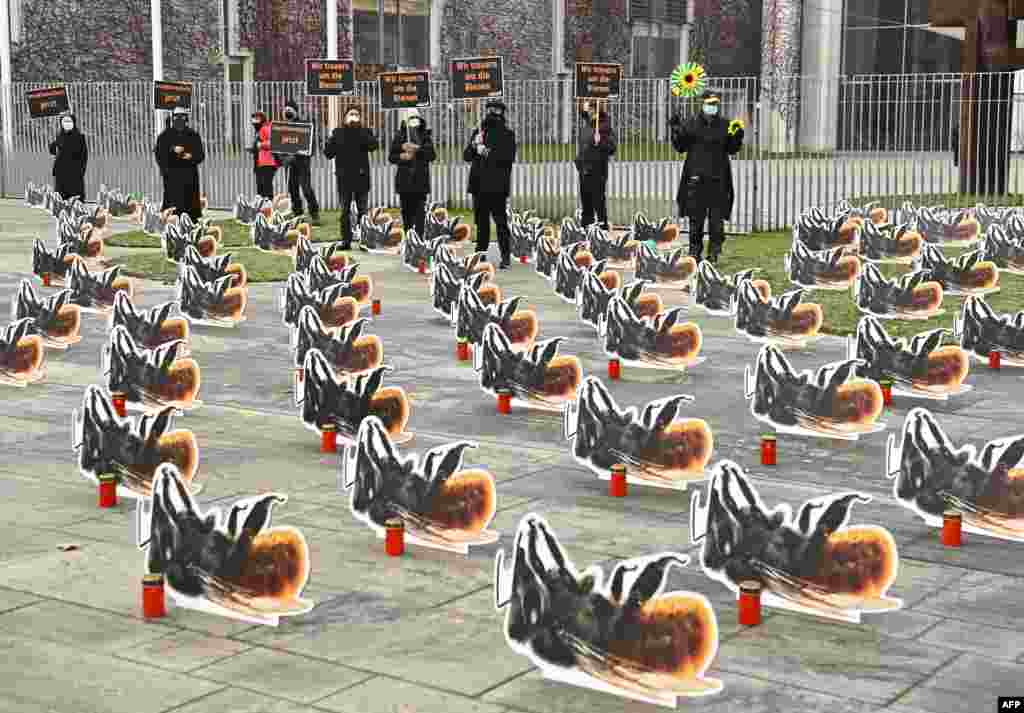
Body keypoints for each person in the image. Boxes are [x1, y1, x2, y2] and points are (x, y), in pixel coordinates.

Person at [670, 89, 744, 264]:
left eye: (715, 104)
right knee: (696, 220)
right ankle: (695, 252)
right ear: (702, 104)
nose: (713, 107)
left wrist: (737, 137)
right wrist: (676, 129)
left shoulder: (725, 124)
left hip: (718, 179)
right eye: (709, 104)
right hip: (696, 179)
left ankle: (714, 251)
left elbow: (732, 149)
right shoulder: (691, 123)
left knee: (716, 222)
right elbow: (681, 147)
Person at [464, 98, 517, 268]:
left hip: (496, 186)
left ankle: (505, 256)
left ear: (501, 113)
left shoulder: (507, 134)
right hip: (479, 185)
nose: (492, 114)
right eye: (490, 110)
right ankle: (481, 253)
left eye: (496, 110)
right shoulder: (479, 132)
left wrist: (485, 151)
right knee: (481, 223)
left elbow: (506, 158)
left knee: (500, 222)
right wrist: (474, 145)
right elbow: (466, 156)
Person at [324, 107, 379, 249]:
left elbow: (373, 146)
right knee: (344, 212)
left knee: (363, 211)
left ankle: (364, 240)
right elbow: (328, 153)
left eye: (356, 115)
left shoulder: (365, 132)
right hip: (344, 178)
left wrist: (358, 129)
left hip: (361, 177)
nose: (353, 117)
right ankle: (346, 240)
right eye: (351, 114)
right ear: (345, 117)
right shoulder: (338, 132)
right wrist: (330, 140)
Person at [388, 108, 436, 237]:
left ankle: (419, 237)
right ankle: (409, 237)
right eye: (410, 118)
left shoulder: (425, 136)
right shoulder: (400, 136)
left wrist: (418, 149)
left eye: (415, 118)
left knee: (420, 212)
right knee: (407, 213)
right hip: (405, 181)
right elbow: (392, 157)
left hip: (420, 181)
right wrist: (402, 156)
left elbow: (431, 155)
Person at [154, 106, 205, 221]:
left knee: (189, 207)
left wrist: (191, 157)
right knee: (173, 206)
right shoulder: (165, 136)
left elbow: (200, 155)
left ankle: (190, 223)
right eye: (176, 117)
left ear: (186, 119)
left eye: (182, 117)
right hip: (172, 176)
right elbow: (159, 154)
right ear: (173, 119)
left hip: (189, 176)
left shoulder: (193, 135)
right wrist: (172, 150)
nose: (179, 120)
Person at [575, 100, 616, 231]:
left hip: (598, 170)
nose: (588, 110)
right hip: (584, 170)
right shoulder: (588, 123)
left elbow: (612, 147)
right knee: (586, 203)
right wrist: (579, 161)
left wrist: (601, 141)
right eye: (588, 108)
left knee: (598, 202)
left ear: (597, 110)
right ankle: (586, 229)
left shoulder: (604, 125)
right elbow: (580, 108)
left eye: (591, 108)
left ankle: (602, 229)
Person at [281, 99, 321, 225]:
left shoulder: (304, 125)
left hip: (303, 164)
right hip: (290, 164)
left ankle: (314, 214)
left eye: (290, 110)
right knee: (292, 189)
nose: (287, 112)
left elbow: (310, 146)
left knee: (306, 189)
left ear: (296, 112)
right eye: (285, 110)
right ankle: (297, 214)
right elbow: (280, 146)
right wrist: (284, 159)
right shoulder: (283, 127)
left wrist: (300, 155)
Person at [49, 112, 88, 201]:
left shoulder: (79, 137)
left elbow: (84, 156)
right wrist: (53, 145)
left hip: (74, 173)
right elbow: (53, 151)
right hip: (61, 173)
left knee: (75, 199)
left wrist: (81, 171)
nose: (66, 124)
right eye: (64, 121)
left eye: (69, 121)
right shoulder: (59, 136)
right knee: (61, 199)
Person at [249, 111, 278, 201]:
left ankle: (268, 206)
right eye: (253, 119)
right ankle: (262, 208)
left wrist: (260, 145)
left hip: (268, 162)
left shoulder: (266, 128)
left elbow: (273, 142)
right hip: (260, 162)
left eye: (257, 119)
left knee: (266, 187)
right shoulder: (259, 130)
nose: (254, 121)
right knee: (260, 186)